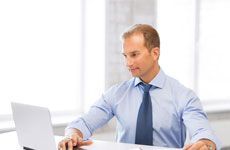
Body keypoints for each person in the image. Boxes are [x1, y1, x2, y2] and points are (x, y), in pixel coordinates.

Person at [58, 24, 221, 150]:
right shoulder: (117, 93)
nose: (128, 63)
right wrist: (73, 134)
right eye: (125, 56)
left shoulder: (183, 96)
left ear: (155, 53)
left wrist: (205, 143)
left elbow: (203, 132)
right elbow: (84, 123)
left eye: (134, 55)